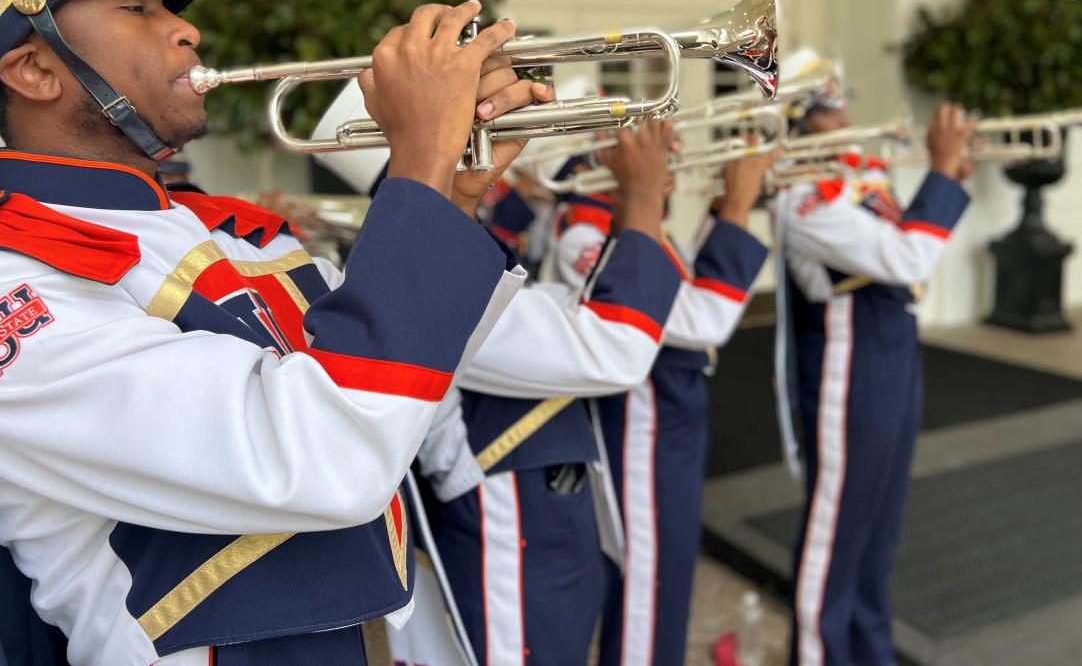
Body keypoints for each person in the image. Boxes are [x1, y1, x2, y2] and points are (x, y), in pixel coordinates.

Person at [0, 0, 551, 666]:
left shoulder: (228, 227)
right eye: (136, 9)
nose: (185, 27)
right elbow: (323, 454)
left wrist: (450, 195)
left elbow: (405, 380)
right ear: (34, 68)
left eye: (170, 5)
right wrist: (416, 172)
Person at [315, 88, 687, 666]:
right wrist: (639, 198)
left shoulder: (451, 251)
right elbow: (617, 347)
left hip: (537, 500)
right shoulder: (422, 273)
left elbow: (568, 306)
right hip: (506, 508)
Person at [772, 49, 973, 666]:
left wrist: (948, 181)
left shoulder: (858, 170)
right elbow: (906, 257)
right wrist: (940, 172)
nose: (844, 114)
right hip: (847, 355)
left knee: (878, 531)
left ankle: (868, 651)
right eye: (830, 105)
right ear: (801, 116)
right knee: (837, 531)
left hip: (891, 345)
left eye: (840, 98)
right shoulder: (798, 194)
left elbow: (904, 243)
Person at [590, 151, 773, 666]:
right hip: (642, 420)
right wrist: (738, 204)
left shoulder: (634, 215)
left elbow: (679, 281)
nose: (668, 142)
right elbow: (700, 317)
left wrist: (718, 212)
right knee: (650, 584)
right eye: (650, 131)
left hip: (668, 415)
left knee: (666, 577)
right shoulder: (580, 226)